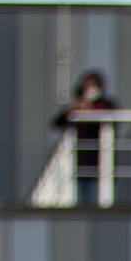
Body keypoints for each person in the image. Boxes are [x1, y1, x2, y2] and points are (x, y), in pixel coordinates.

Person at [50, 71, 116, 206]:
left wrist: (91, 109)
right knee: (80, 199)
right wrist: (72, 109)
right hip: (78, 161)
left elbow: (112, 121)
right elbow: (57, 123)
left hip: (100, 162)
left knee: (98, 199)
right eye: (87, 86)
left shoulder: (105, 104)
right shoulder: (77, 104)